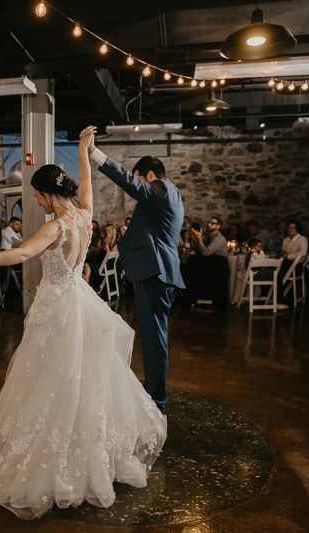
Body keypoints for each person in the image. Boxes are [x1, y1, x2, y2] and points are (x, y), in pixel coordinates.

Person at [0, 125, 165, 520]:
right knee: (80, 379)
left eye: (36, 196)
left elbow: (21, 255)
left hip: (57, 307)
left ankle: (57, 454)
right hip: (81, 302)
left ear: (49, 194)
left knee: (51, 377)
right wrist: (85, 148)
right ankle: (89, 447)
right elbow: (86, 181)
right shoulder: (84, 214)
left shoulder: (55, 226)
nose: (37, 202)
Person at [88, 126, 184, 412]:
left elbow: (131, 182)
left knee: (154, 339)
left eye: (142, 179)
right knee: (156, 336)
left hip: (155, 273)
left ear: (150, 176)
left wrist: (94, 153)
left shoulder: (159, 190)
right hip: (159, 272)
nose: (140, 187)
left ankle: (156, 397)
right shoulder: (173, 195)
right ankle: (154, 390)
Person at [82, 223, 117, 291]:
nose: (107, 232)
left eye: (109, 230)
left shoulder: (116, 244)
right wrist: (103, 244)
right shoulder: (101, 238)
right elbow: (95, 251)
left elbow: (109, 256)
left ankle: (85, 280)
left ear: (113, 231)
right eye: (105, 230)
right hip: (98, 260)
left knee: (88, 262)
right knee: (88, 259)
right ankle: (86, 279)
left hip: (106, 264)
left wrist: (107, 245)